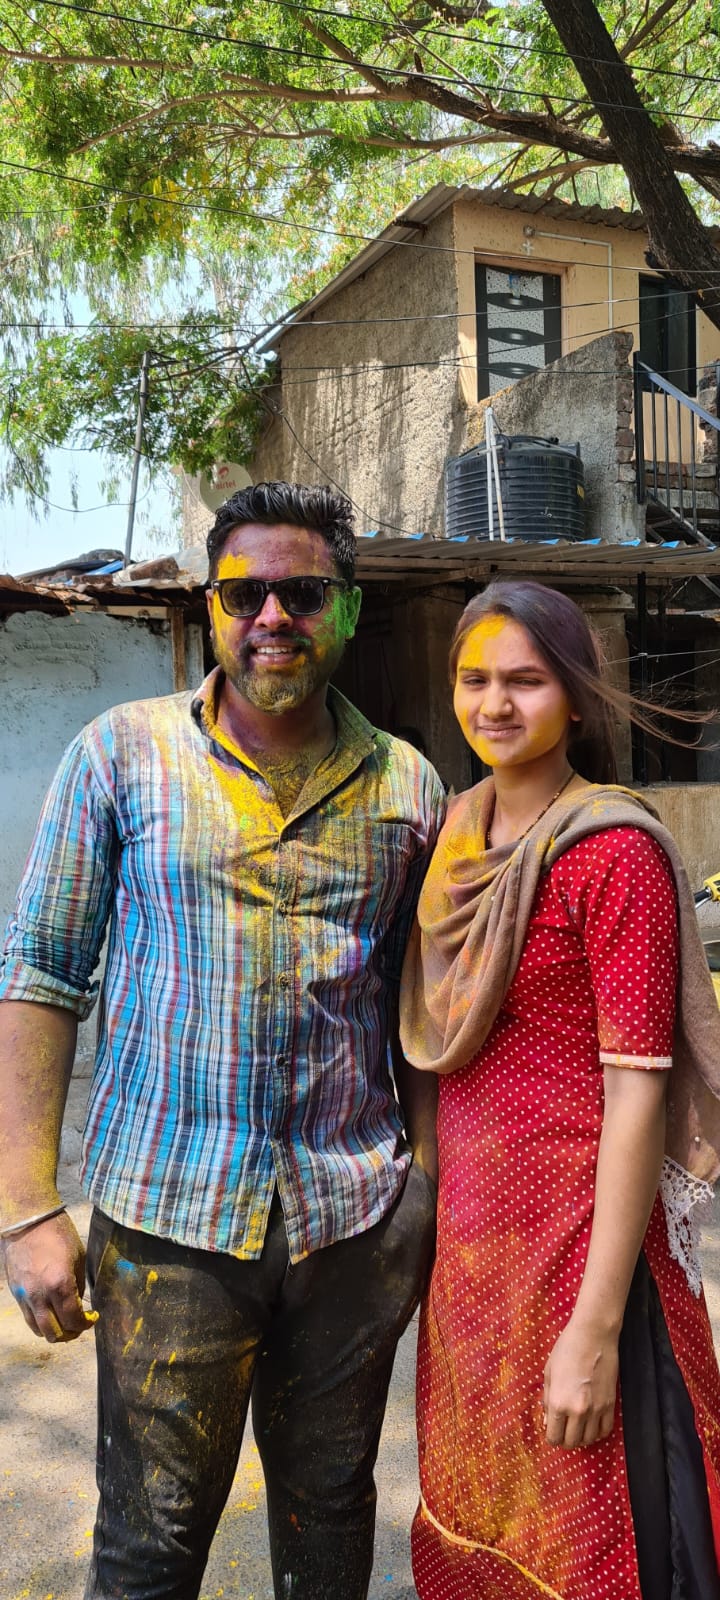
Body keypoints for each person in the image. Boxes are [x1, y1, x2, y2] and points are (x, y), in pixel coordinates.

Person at [0, 481, 446, 1600]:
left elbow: (421, 1008)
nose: (272, 617)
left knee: (331, 1515)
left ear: (348, 607)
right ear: (212, 607)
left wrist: (426, 1190)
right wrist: (27, 1207)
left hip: (352, 1222)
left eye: (304, 593)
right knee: (150, 1541)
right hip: (168, 1223)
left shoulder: (408, 786)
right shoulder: (121, 756)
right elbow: (41, 973)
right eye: (244, 594)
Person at [399, 579, 720, 1600]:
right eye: (474, 679)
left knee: (598, 1531)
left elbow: (636, 1097)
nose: (495, 703)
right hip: (474, 1261)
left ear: (576, 696)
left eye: (526, 680)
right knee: (482, 1501)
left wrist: (595, 1328)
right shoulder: (452, 840)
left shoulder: (611, 852)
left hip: (584, 1251)